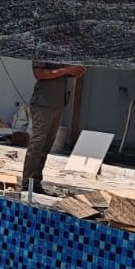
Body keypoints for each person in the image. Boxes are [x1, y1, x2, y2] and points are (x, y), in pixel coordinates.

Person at [23, 62, 85, 194]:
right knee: (37, 144)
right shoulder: (44, 48)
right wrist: (66, 70)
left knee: (46, 146)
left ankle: (36, 182)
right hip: (43, 103)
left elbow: (62, 73)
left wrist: (74, 72)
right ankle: (28, 182)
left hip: (57, 104)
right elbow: (39, 73)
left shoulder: (61, 50)